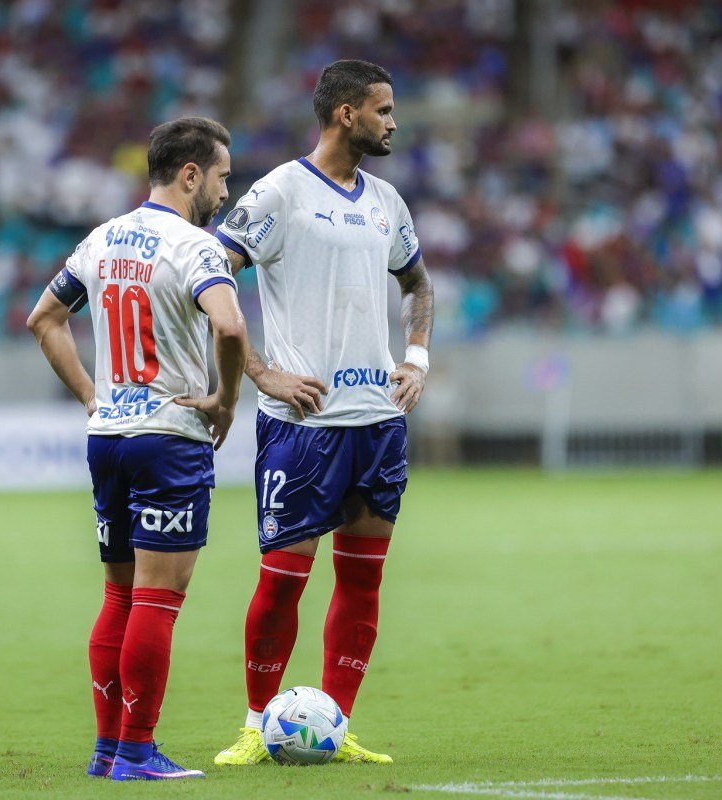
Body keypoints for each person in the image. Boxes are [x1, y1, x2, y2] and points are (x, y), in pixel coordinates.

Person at [212, 60, 434, 765]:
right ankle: (255, 725)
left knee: (363, 581)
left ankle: (335, 727)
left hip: (377, 421)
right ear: (345, 114)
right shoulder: (280, 192)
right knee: (282, 584)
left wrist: (418, 356)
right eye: (383, 109)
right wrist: (260, 370)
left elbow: (420, 287)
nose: (393, 122)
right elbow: (211, 272)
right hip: (304, 428)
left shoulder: (387, 202)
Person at [26, 117, 248, 781]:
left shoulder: (100, 240)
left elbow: (44, 318)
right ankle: (138, 750)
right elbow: (231, 325)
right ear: (190, 175)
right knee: (157, 599)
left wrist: (94, 397)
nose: (225, 191)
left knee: (119, 595)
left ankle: (106, 748)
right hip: (168, 437)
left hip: (109, 440)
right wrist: (227, 400)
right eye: (222, 177)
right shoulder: (195, 245)